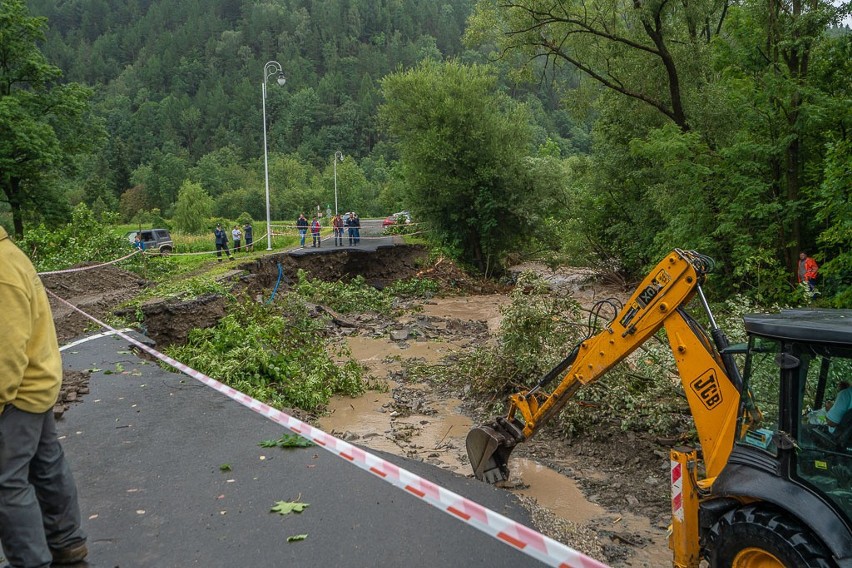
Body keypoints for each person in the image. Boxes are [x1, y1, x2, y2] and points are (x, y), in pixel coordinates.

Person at [0, 225, 88, 567]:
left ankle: (32, 561)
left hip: (17, 395)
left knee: (6, 482)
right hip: (40, 383)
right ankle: (68, 544)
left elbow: (5, 354)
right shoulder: (11, 255)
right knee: (47, 465)